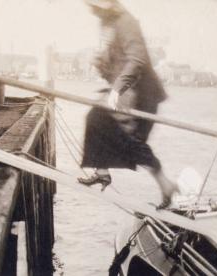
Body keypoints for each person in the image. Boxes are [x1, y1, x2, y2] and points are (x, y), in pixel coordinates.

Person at [78, 0, 178, 209]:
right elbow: (113, 63)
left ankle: (166, 185)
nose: (92, 11)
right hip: (124, 92)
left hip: (142, 94)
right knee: (96, 118)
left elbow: (137, 60)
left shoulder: (126, 22)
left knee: (132, 142)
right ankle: (102, 172)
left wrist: (117, 89)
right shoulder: (106, 24)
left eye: (95, 7)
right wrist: (100, 63)